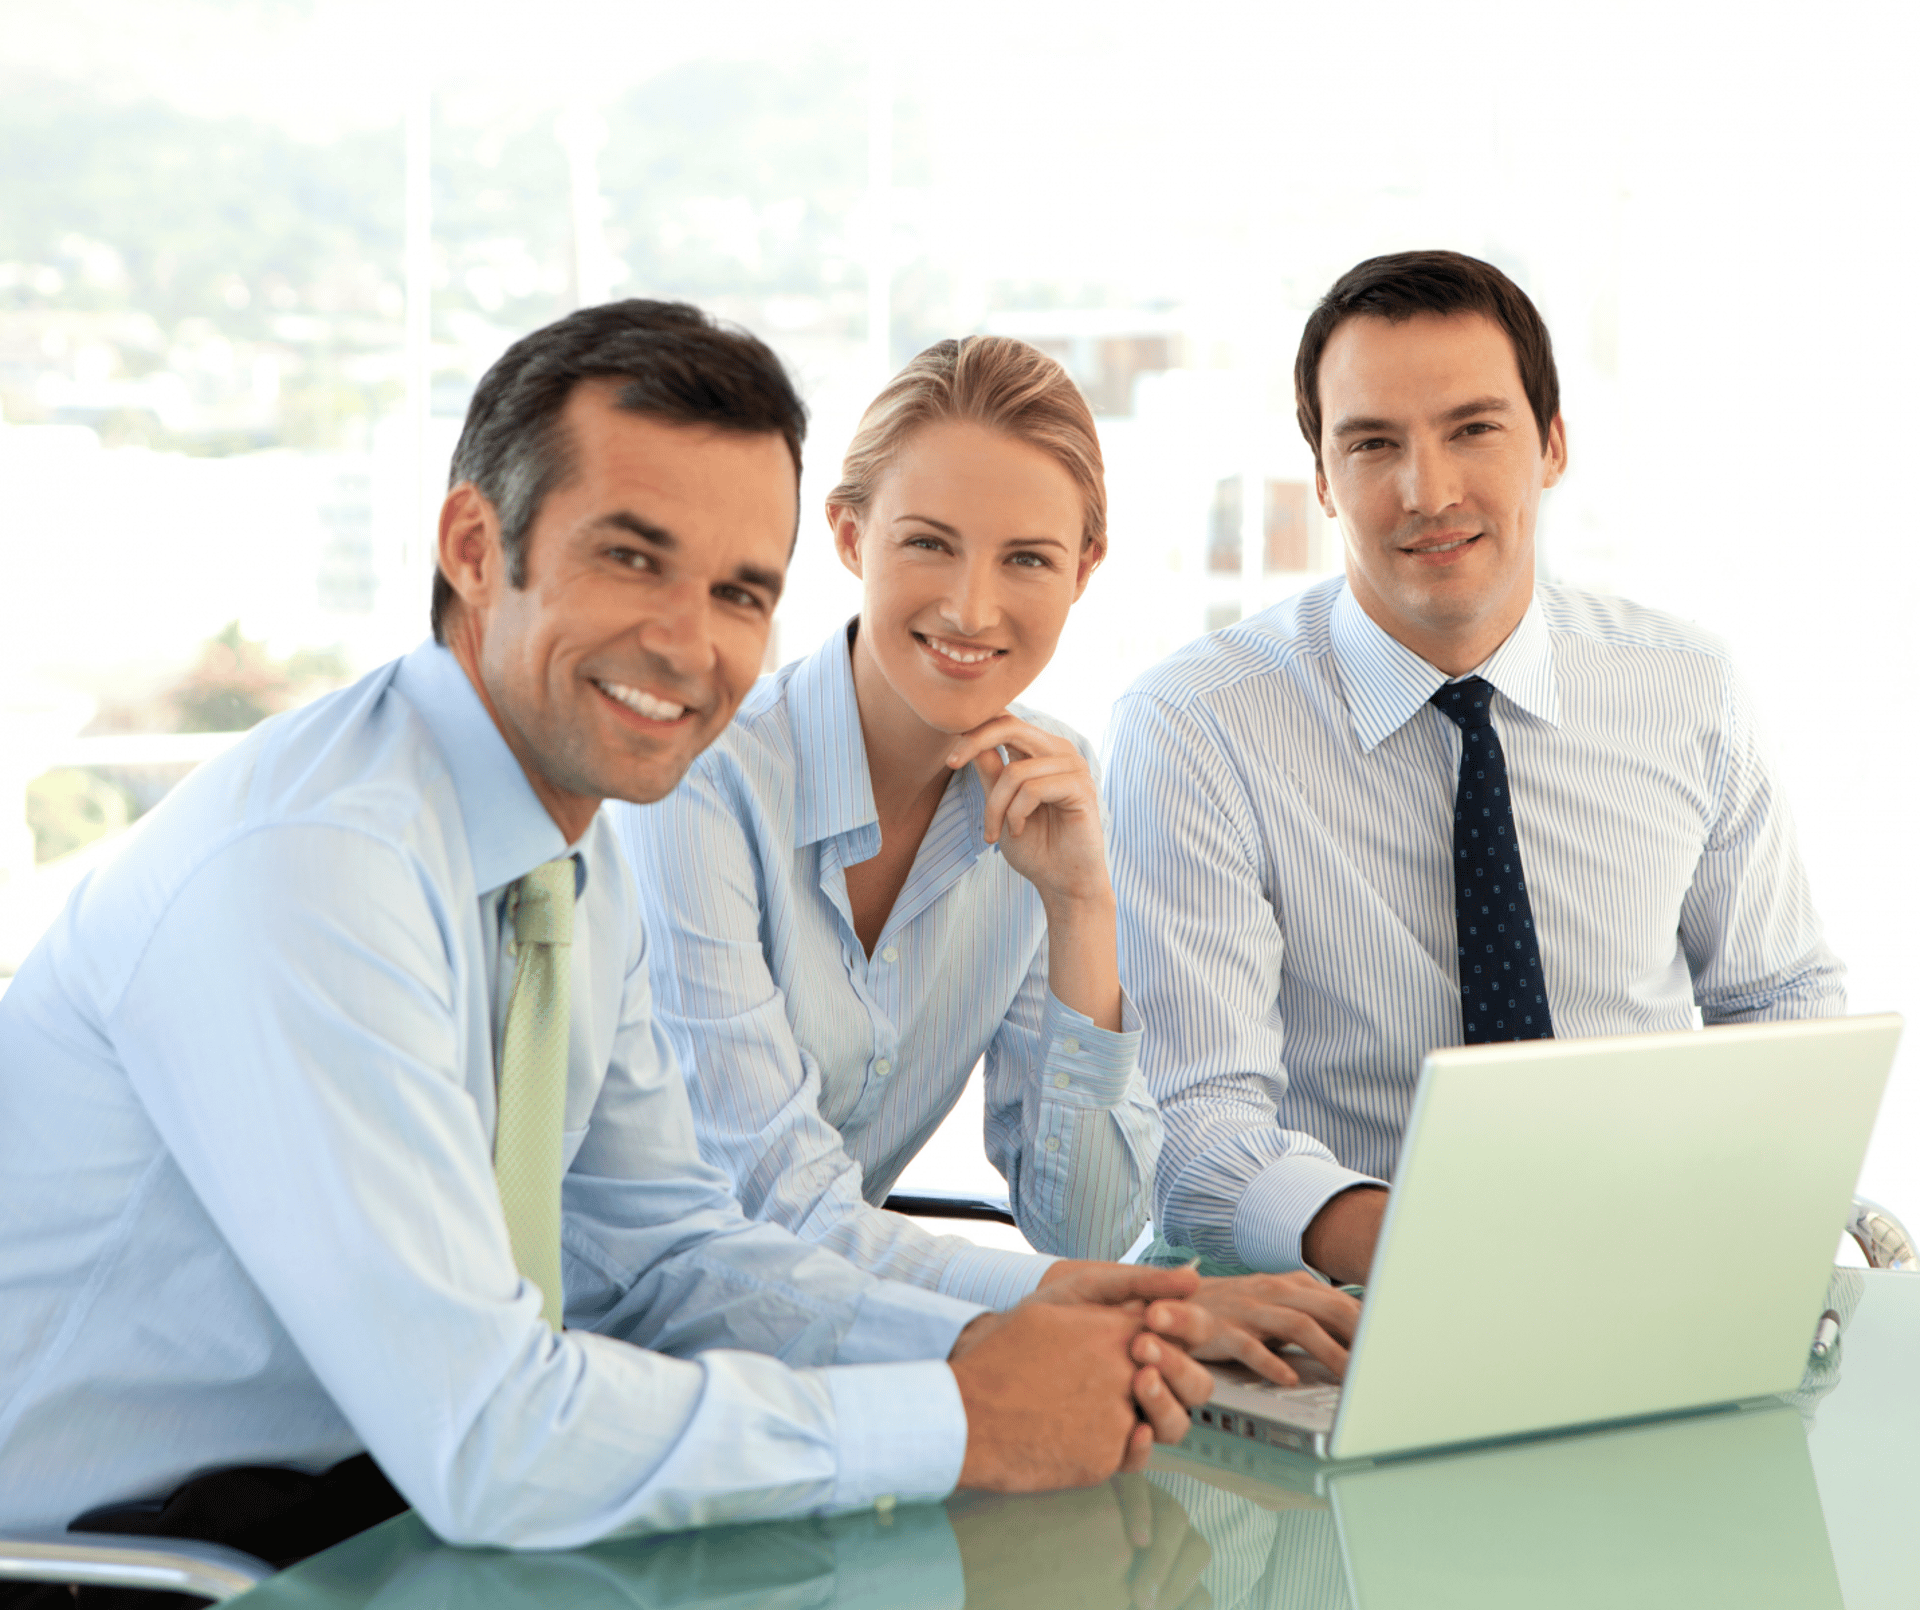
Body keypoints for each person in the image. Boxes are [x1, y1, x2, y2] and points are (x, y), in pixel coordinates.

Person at [0, 301, 1219, 1567]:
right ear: (476, 544)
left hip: (364, 1516)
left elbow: (677, 1253)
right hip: (123, 1564)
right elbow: (488, 1434)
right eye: (633, 559)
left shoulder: (561, 849)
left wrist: (1005, 1341)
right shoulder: (319, 869)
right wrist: (962, 1415)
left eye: (739, 590)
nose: (689, 643)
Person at [616, 336, 1359, 1380]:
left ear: (1084, 569)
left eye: (1027, 558)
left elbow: (1086, 1225)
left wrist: (1080, 909)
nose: (972, 607)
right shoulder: (703, 780)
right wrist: (1150, 1306)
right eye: (928, 543)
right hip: (613, 1364)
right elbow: (770, 1207)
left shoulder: (1039, 795)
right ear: (847, 533)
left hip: (826, 1364)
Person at [1104, 251, 1845, 1285]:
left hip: (1656, 1268)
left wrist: (1744, 1207)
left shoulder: (1685, 686)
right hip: (1349, 1299)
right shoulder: (1194, 727)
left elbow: (1779, 999)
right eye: (1373, 443)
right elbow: (1194, 1122)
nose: (1429, 491)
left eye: (1473, 429)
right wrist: (1449, 1259)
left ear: (1552, 445)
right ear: (1322, 477)